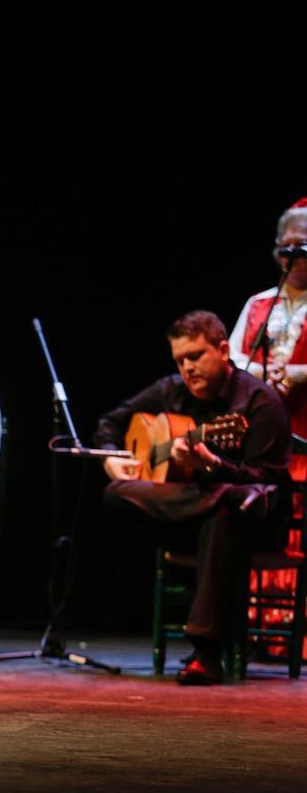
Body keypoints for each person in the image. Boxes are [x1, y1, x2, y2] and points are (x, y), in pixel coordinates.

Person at [95, 310, 291, 685]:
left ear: (222, 349)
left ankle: (206, 653)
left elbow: (267, 483)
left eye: (196, 356)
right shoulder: (170, 390)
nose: (188, 368)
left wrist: (213, 466)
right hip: (187, 514)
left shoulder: (260, 404)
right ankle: (218, 500)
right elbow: (110, 421)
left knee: (226, 515)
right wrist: (110, 457)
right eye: (180, 360)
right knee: (117, 491)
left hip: (254, 524)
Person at [229, 197, 307, 437]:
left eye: (301, 245)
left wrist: (298, 373)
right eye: (286, 246)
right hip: (260, 424)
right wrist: (261, 372)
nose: (292, 254)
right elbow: (230, 357)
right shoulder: (258, 304)